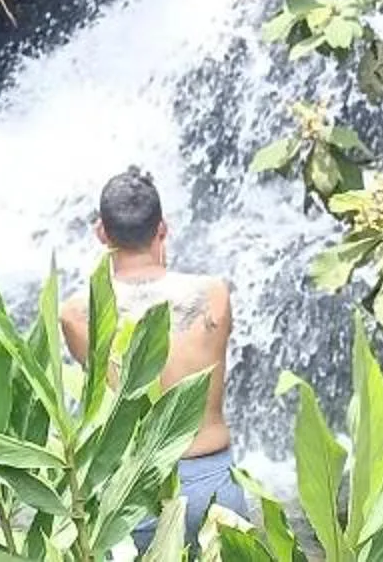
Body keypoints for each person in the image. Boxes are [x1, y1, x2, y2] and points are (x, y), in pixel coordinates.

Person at [59, 167, 247, 554]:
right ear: (163, 228)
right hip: (210, 481)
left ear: (101, 233)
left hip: (134, 489)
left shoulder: (77, 314)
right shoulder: (214, 296)